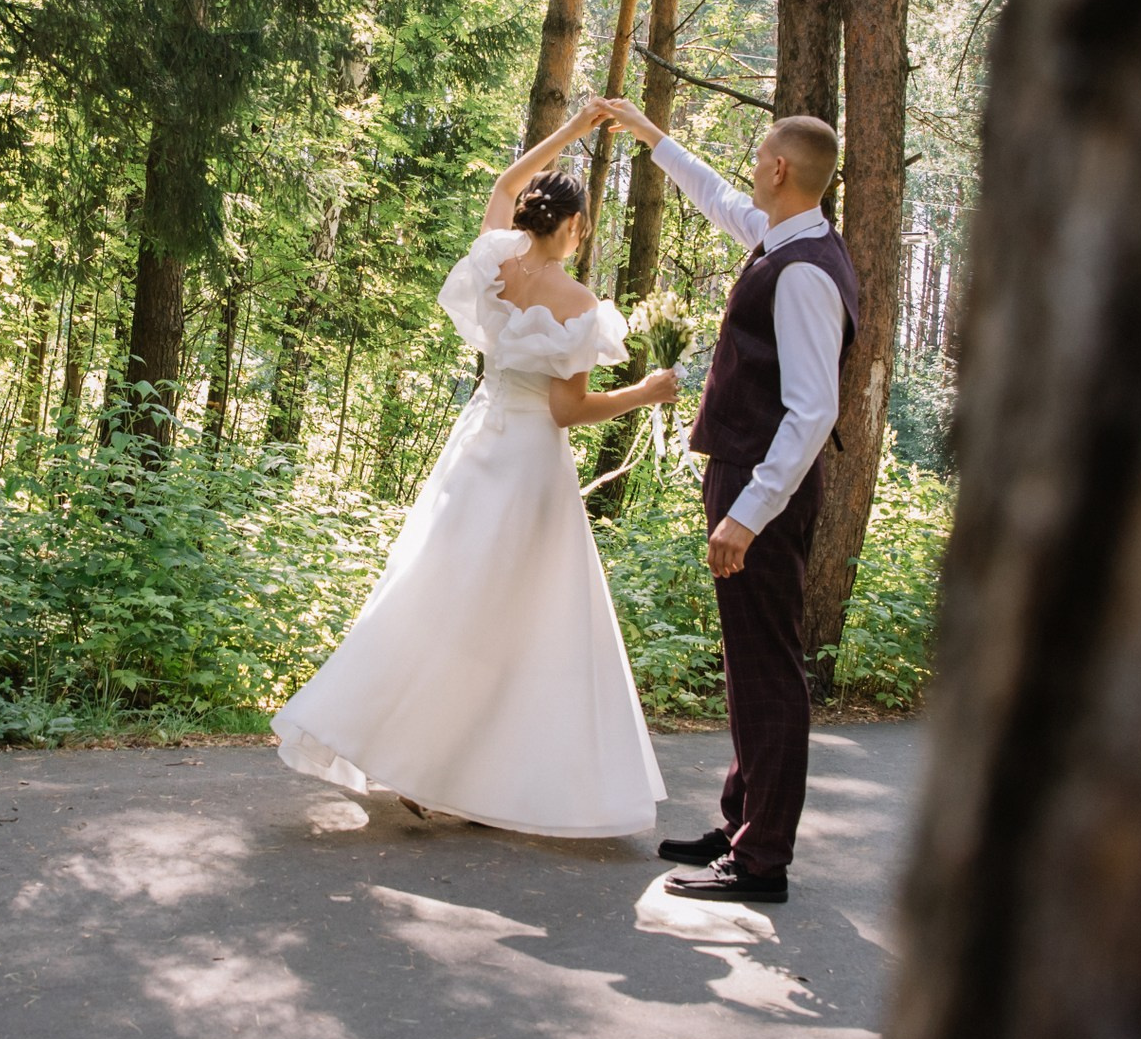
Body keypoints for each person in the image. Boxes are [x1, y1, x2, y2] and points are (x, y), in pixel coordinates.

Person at [271, 101, 681, 836]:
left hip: (475, 448)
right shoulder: (580, 304)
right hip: (529, 470)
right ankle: (473, 773)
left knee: (444, 597)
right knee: (519, 621)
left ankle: (432, 759)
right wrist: (644, 393)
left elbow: (504, 177)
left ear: (528, 214)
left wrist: (573, 130)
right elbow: (568, 411)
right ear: (574, 227)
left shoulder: (493, 260)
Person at [598, 99, 859, 904]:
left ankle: (761, 861)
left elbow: (814, 410)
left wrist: (748, 511)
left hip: (762, 490)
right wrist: (653, 138)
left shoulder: (805, 271)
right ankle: (741, 825)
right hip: (749, 478)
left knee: (767, 670)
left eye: (757, 155)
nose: (750, 165)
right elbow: (720, 199)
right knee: (749, 668)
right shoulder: (789, 240)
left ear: (781, 168)